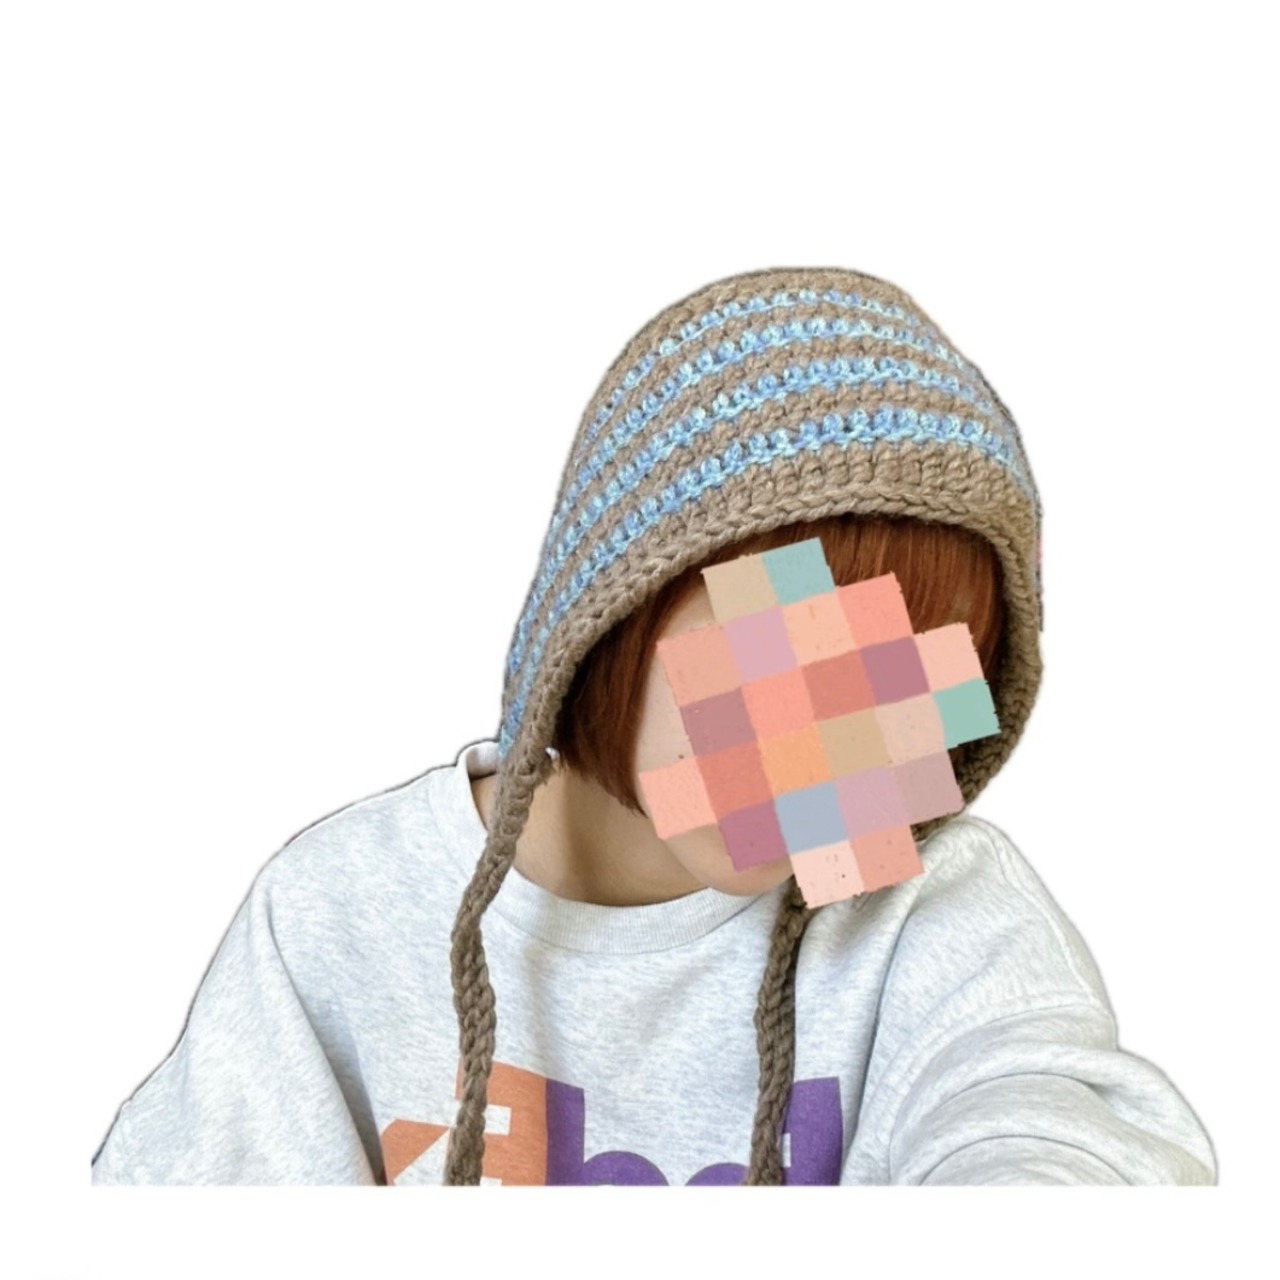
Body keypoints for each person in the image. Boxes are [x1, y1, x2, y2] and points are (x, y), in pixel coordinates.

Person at [90, 265, 1216, 1185]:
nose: (845, 740)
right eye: (793, 650)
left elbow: (1043, 1116)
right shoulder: (338, 912)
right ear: (610, 609)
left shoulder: (935, 908)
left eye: (910, 690)